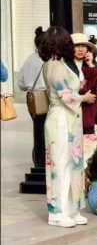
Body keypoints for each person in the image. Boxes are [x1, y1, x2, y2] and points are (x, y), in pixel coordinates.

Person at [38, 26, 96, 227]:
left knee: (72, 163)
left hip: (67, 119)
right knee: (61, 164)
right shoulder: (57, 66)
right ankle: (58, 212)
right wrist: (84, 96)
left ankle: (71, 209)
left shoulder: (53, 64)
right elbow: (67, 97)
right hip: (62, 119)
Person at [69, 32, 97, 165]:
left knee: (89, 151)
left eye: (83, 46)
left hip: (90, 113)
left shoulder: (91, 64)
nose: (80, 49)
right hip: (72, 111)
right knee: (74, 151)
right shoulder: (67, 65)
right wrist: (82, 97)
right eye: (77, 46)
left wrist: (91, 64)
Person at [17, 27, 49, 168]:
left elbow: (20, 83)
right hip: (44, 97)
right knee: (45, 131)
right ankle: (43, 162)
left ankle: (38, 161)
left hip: (31, 97)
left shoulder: (29, 59)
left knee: (38, 129)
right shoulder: (48, 60)